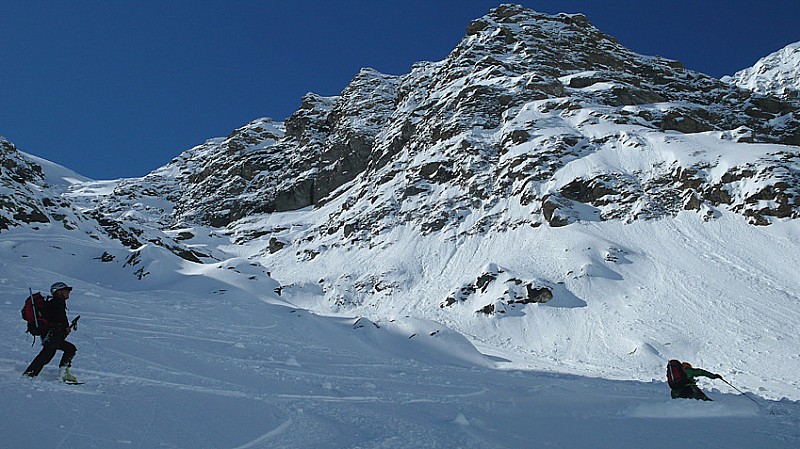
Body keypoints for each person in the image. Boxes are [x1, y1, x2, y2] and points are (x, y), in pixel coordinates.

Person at [23, 282, 78, 382]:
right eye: (65, 290)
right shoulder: (56, 303)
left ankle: (30, 374)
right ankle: (30, 374)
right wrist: (63, 328)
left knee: (49, 355)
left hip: (52, 335)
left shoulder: (56, 302)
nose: (68, 292)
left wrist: (64, 328)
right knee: (52, 354)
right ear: (58, 292)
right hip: (52, 335)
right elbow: (56, 320)